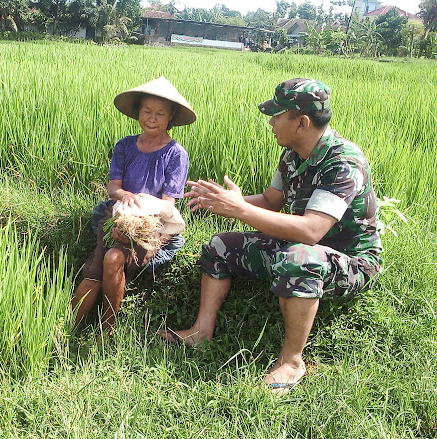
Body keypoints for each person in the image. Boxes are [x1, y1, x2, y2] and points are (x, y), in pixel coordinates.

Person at [159, 78, 382, 393]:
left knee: (297, 260)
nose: (271, 122)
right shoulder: (292, 154)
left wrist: (241, 210)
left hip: (351, 261)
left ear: (301, 122)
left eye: (277, 116)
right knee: (219, 245)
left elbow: (311, 230)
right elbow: (269, 202)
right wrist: (225, 203)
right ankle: (200, 331)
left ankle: (292, 362)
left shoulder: (343, 162)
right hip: (302, 245)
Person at [72, 76, 196, 336]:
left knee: (114, 256)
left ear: (171, 116)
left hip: (150, 224)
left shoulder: (176, 154)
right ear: (138, 112)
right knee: (94, 273)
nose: (152, 118)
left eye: (160, 113)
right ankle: (65, 332)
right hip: (118, 214)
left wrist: (133, 229)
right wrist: (124, 197)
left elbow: (166, 205)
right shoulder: (125, 146)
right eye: (146, 111)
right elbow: (113, 188)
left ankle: (107, 330)